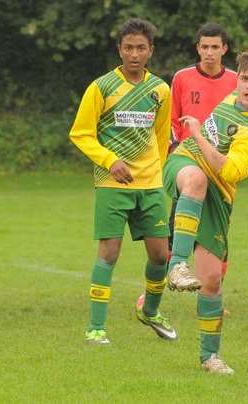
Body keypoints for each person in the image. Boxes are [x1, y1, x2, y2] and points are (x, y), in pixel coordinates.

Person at [163, 49, 248, 373]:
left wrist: (198, 132)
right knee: (196, 179)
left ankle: (208, 357)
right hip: (184, 163)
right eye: (244, 78)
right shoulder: (242, 93)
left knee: (212, 280)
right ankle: (177, 265)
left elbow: (228, 171)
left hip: (219, 193)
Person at [69, 18, 177, 345]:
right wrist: (109, 161)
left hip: (150, 185)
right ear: (119, 49)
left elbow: (160, 138)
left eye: (140, 48)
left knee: (161, 256)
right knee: (109, 254)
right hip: (112, 185)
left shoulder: (160, 90)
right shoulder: (101, 87)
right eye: (128, 47)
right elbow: (81, 134)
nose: (134, 53)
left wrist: (155, 172)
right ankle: (96, 327)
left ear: (150, 51)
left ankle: (151, 311)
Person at [167, 22, 237, 291]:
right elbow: (172, 120)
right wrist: (173, 151)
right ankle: (157, 289)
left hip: (221, 167)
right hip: (188, 162)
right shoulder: (182, 77)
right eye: (204, 47)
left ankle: (213, 291)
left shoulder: (235, 81)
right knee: (175, 231)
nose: (209, 52)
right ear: (197, 48)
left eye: (215, 47)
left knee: (219, 233)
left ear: (224, 49)